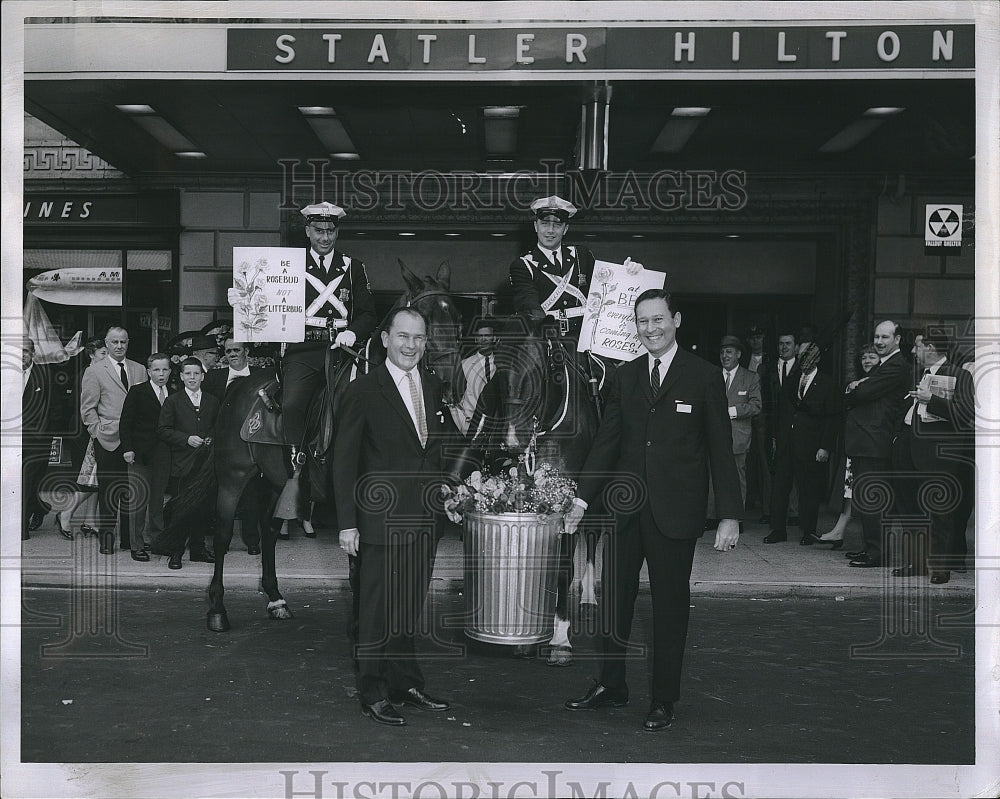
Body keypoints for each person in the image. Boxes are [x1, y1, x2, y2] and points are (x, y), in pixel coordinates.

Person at [562, 289, 741, 732]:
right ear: (635, 326)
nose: (651, 329)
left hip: (675, 514)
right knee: (614, 604)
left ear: (676, 320)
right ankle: (611, 686)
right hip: (624, 511)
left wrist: (730, 515)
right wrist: (582, 500)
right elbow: (608, 442)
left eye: (658, 320)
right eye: (643, 322)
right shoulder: (624, 377)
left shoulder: (703, 376)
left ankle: (664, 698)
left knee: (669, 608)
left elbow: (721, 450)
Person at [333, 307, 456, 727]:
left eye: (419, 338)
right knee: (375, 608)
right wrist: (347, 523)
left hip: (424, 519)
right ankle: (372, 691)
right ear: (385, 338)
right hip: (379, 521)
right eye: (402, 336)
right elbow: (344, 462)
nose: (411, 346)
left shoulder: (434, 385)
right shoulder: (363, 390)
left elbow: (436, 447)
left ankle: (405, 682)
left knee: (407, 607)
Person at [230, 201, 377, 461]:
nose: (325, 237)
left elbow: (367, 313)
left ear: (337, 232)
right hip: (303, 350)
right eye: (319, 230)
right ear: (308, 231)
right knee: (293, 403)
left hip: (344, 350)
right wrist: (242, 300)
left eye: (330, 231)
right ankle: (295, 463)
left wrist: (353, 332)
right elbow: (262, 303)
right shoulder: (288, 265)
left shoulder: (353, 267)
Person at [888, 330, 975, 584]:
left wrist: (932, 399)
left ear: (931, 347)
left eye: (917, 346)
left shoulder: (960, 375)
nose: (914, 352)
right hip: (907, 449)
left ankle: (940, 567)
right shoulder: (917, 374)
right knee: (909, 508)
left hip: (937, 454)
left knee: (939, 511)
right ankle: (916, 563)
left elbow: (964, 415)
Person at [843, 320, 911, 568]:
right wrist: (859, 387)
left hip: (876, 442)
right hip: (869, 442)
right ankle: (870, 548)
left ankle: (876, 552)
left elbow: (862, 394)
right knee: (868, 499)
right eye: (877, 337)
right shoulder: (885, 365)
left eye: (885, 337)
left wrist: (856, 388)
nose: (880, 342)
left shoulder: (896, 365)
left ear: (897, 339)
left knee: (875, 500)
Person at [79, 326, 148, 554]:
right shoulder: (96, 371)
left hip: (135, 440)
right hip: (108, 438)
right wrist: (96, 431)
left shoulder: (139, 370)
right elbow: (88, 408)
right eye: (114, 342)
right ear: (106, 344)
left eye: (123, 342)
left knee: (131, 490)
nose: (119, 346)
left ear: (128, 343)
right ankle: (107, 541)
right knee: (109, 490)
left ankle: (129, 541)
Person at [768, 344, 841, 545]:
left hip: (811, 445)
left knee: (809, 488)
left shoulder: (827, 383)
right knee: (780, 487)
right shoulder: (792, 380)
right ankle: (777, 530)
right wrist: (776, 438)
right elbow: (781, 411)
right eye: (800, 356)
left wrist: (825, 446)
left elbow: (832, 418)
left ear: (816, 358)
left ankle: (808, 531)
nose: (803, 360)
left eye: (806, 356)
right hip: (786, 443)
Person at [204, 338, 268, 553]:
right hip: (223, 446)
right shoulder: (214, 377)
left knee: (251, 494)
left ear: (246, 351)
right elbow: (208, 410)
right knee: (223, 496)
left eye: (236, 350)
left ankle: (252, 541)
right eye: (228, 350)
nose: (232, 354)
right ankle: (222, 541)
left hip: (251, 444)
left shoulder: (259, 376)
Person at [157, 358, 220, 570]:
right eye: (188, 374)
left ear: (202, 376)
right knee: (180, 508)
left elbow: (217, 426)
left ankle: (198, 548)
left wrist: (211, 437)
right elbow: (163, 429)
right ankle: (176, 552)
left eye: (196, 374)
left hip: (205, 465)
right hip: (182, 464)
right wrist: (186, 439)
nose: (192, 378)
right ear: (182, 376)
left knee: (202, 507)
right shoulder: (173, 401)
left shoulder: (212, 401)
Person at [815, 344, 879, 546]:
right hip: (856, 442)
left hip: (873, 445)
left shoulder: (878, 382)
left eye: (872, 357)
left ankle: (872, 545)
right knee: (850, 489)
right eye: (864, 357)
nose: (867, 361)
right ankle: (839, 530)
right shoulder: (858, 382)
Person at [509, 195, 597, 338]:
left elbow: (605, 286)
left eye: (557, 224)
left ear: (565, 228)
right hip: (547, 338)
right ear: (536, 226)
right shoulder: (524, 265)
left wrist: (631, 272)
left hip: (586, 336)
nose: (550, 230)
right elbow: (529, 306)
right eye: (544, 223)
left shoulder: (581, 255)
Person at [119, 353, 173, 562]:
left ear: (170, 371)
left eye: (165, 369)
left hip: (163, 455)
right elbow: (126, 422)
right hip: (139, 455)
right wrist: (127, 449)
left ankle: (156, 540)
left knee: (157, 501)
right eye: (156, 370)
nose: (161, 374)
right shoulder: (138, 391)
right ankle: (137, 544)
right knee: (138, 502)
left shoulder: (174, 394)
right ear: (149, 372)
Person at [706, 334, 761, 526]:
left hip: (738, 436)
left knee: (737, 478)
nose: (725, 356)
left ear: (738, 354)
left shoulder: (750, 377)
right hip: (714, 435)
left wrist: (734, 411)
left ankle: (736, 518)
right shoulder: (712, 375)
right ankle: (712, 516)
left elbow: (756, 406)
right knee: (713, 476)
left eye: (729, 352)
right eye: (722, 352)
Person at [57, 337, 108, 539]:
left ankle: (90, 520)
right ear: (92, 354)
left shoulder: (102, 372)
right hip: (83, 429)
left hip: (94, 428)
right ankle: (66, 513)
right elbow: (83, 407)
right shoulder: (87, 373)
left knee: (96, 476)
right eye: (103, 352)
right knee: (88, 476)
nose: (107, 356)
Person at [22, 336, 54, 539]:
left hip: (36, 440)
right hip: (10, 439)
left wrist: (48, 437)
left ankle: (21, 530)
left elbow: (54, 408)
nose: (21, 356)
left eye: (25, 351)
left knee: (25, 481)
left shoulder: (45, 374)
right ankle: (40, 508)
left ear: (33, 353)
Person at [454, 320, 500, 435]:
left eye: (487, 336)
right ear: (475, 339)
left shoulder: (502, 364)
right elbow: (456, 399)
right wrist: (462, 422)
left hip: (496, 427)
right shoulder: (464, 364)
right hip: (471, 426)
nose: (483, 339)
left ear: (494, 338)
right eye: (480, 336)